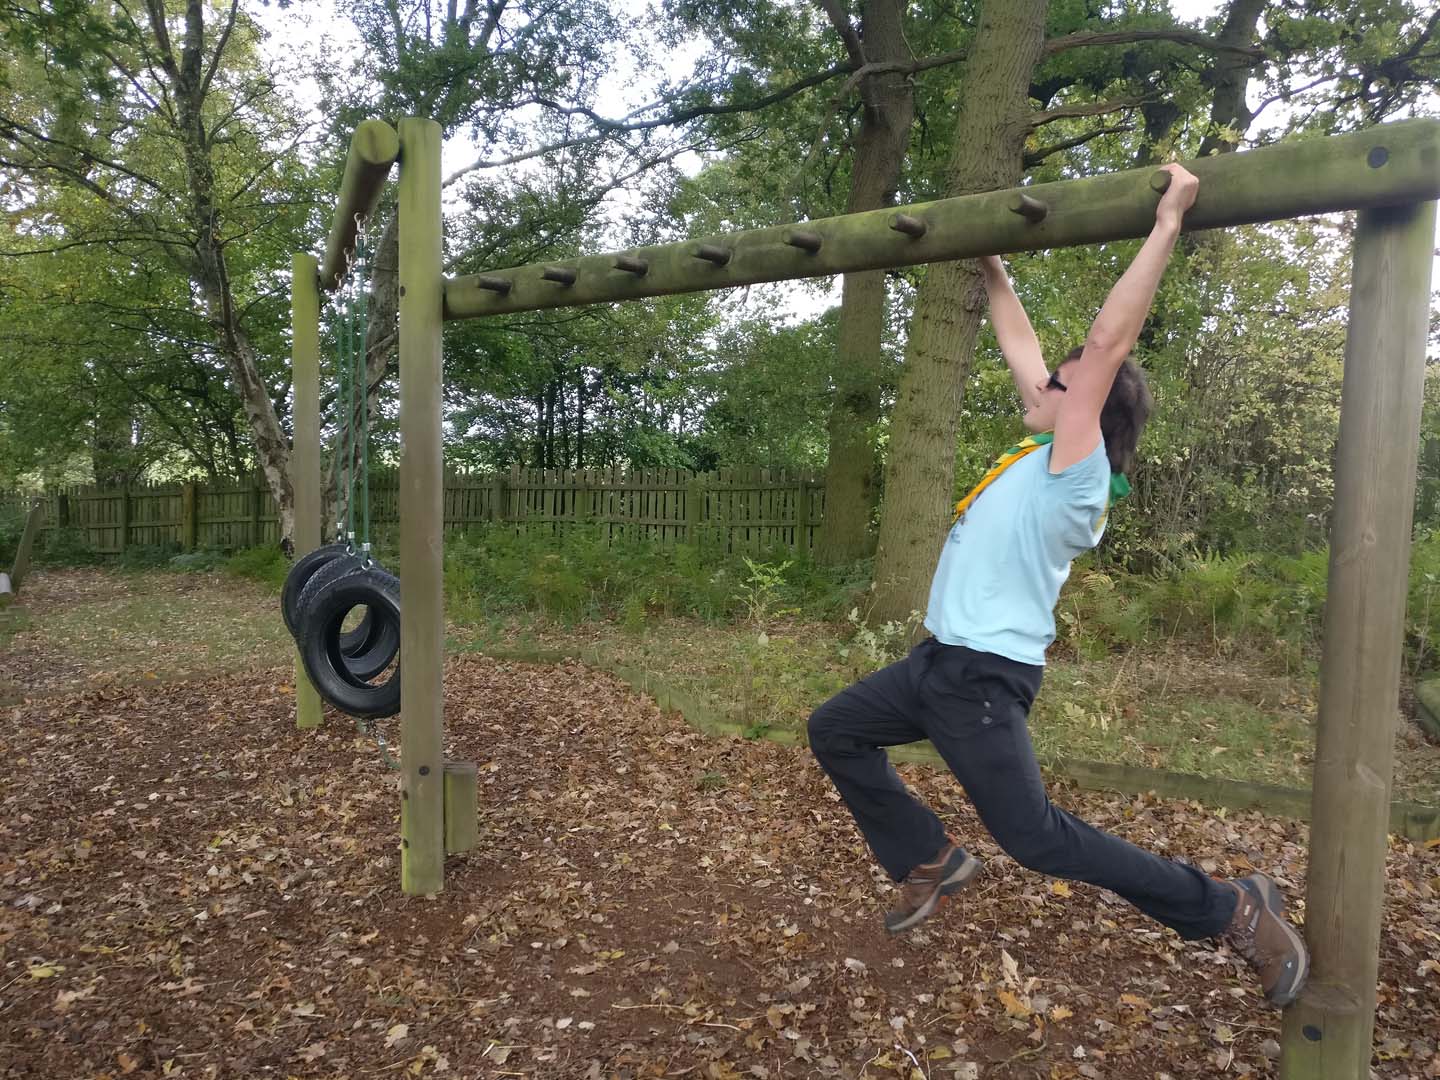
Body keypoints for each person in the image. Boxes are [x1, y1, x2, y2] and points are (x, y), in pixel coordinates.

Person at [807, 163, 1309, 1008]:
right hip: (936, 664)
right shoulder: (1042, 452)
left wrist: (1167, 224)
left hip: (980, 678)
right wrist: (993, 269)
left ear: (1091, 410)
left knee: (1037, 839)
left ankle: (1231, 909)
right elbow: (1025, 351)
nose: (1043, 385)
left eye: (1064, 384)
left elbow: (1105, 346)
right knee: (837, 730)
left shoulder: (1076, 476)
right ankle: (928, 857)